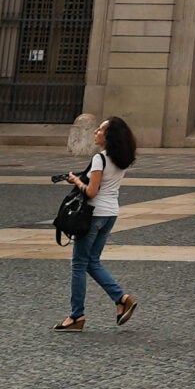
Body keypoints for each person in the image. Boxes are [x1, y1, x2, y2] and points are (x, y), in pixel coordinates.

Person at [56, 115, 138, 331]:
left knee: (79, 264)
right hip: (110, 214)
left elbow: (92, 191)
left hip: (93, 214)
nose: (96, 132)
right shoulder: (122, 158)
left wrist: (75, 181)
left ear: (109, 136)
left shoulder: (100, 159)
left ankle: (76, 316)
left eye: (100, 130)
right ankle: (121, 299)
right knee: (92, 261)